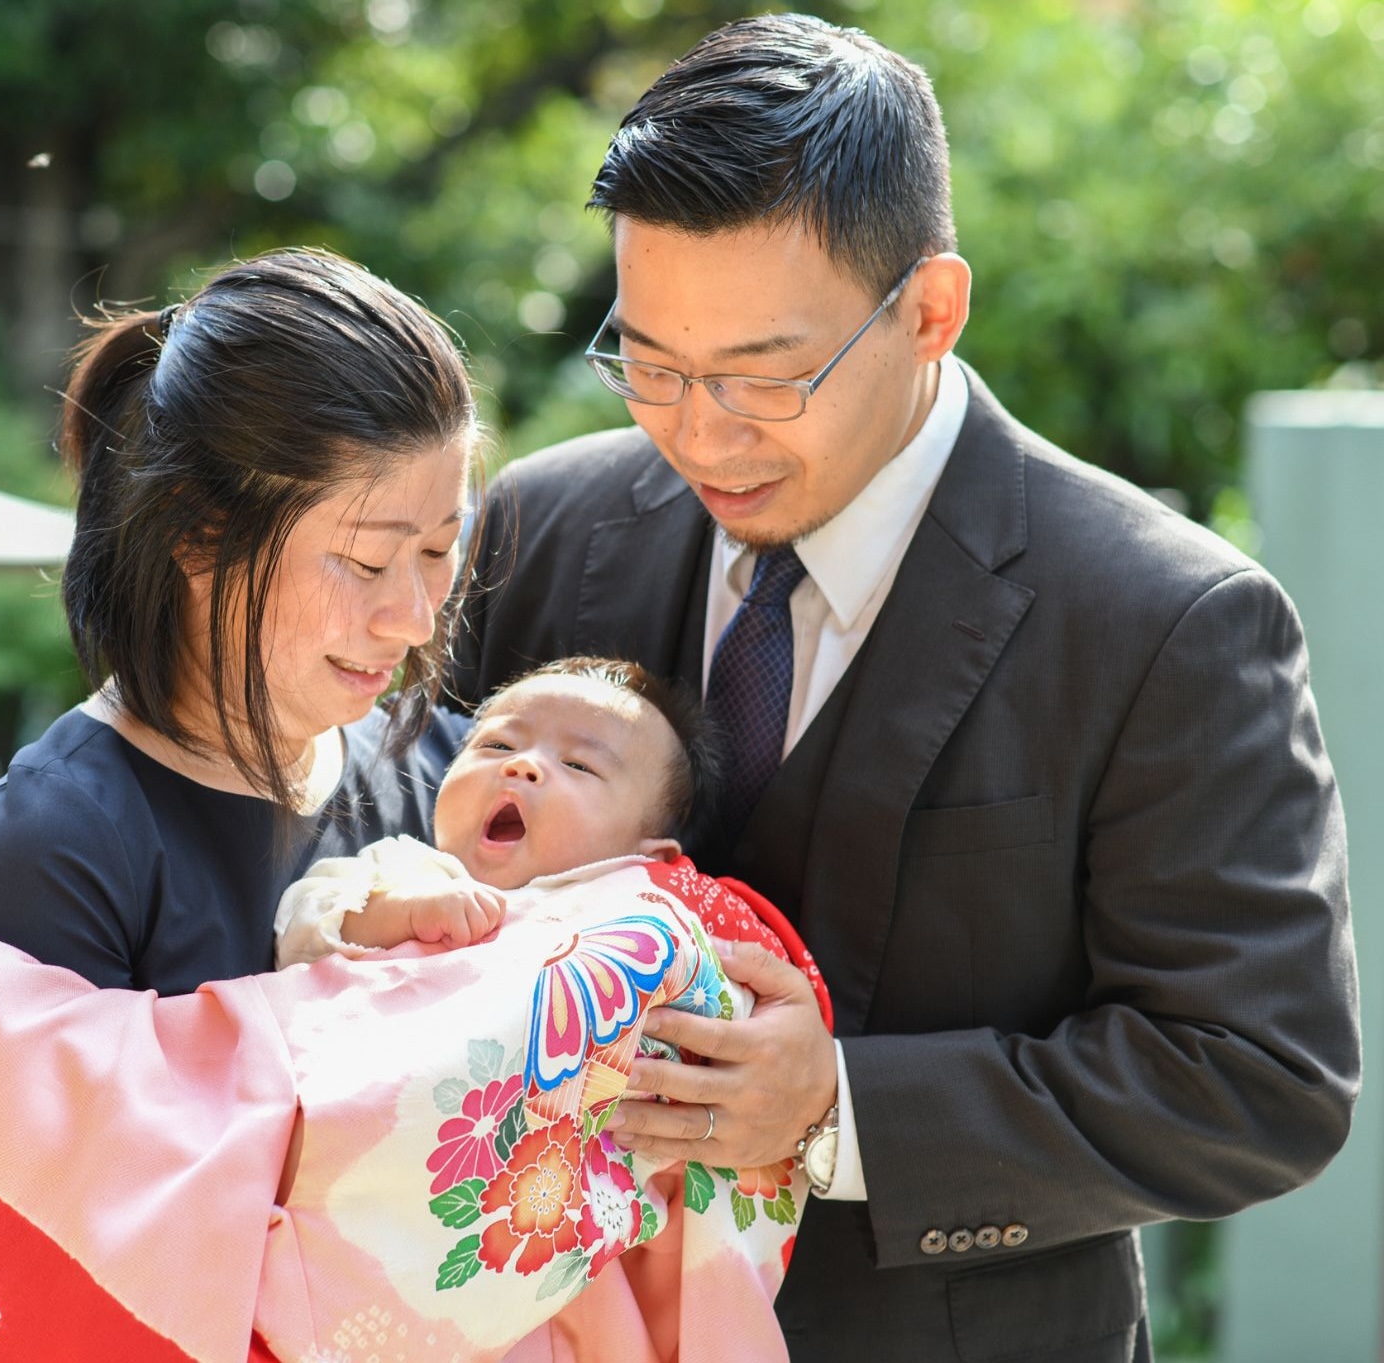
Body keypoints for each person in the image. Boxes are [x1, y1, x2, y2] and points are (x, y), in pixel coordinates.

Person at [447, 15, 1359, 1361]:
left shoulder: (1167, 619)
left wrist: (840, 1112)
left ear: (931, 308)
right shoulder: (543, 526)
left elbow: (1257, 1077)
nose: (701, 431)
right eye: (648, 361)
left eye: (764, 374)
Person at [0, 246, 479, 993]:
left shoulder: (453, 775)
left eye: (441, 547)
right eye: (365, 562)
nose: (414, 620)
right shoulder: (53, 852)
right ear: (197, 530)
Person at [272, 655, 702, 964]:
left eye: (578, 764)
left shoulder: (636, 922)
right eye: (497, 745)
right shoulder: (407, 870)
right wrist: (404, 912)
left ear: (647, 861)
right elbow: (299, 927)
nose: (522, 764)